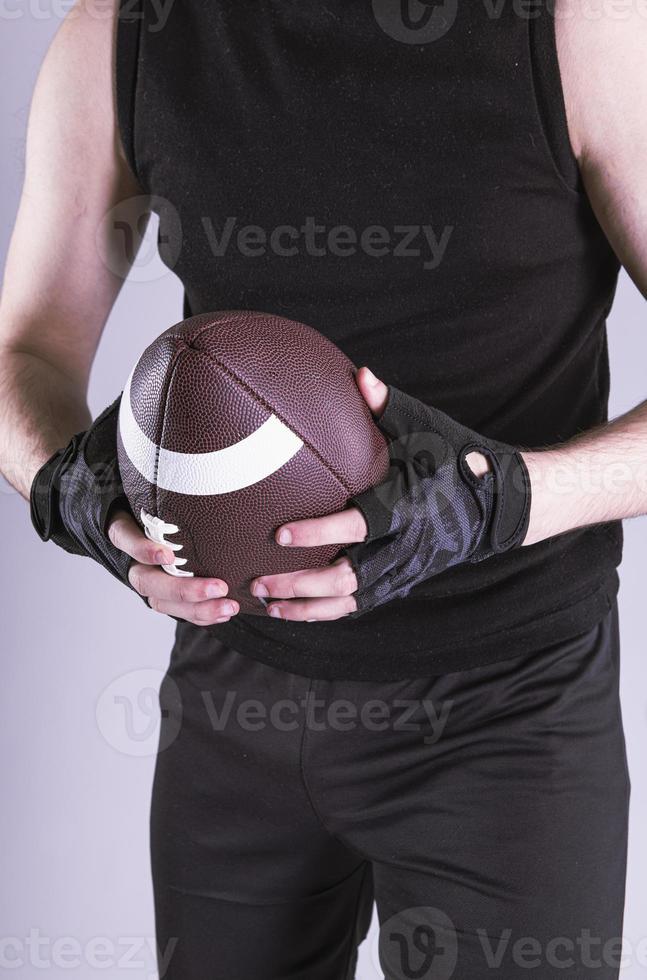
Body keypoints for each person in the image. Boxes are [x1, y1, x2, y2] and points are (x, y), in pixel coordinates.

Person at [1, 0, 645, 976]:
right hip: (232, 693)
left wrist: (499, 497)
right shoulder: (121, 36)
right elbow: (25, 349)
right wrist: (69, 487)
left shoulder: (578, 27)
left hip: (507, 706)